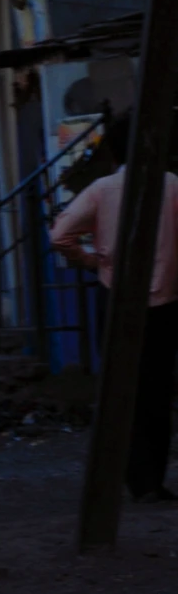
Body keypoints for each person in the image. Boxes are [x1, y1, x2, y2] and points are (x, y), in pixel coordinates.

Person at [50, 122, 178, 501]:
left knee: (121, 389)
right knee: (158, 390)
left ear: (112, 153)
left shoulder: (102, 190)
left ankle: (132, 476)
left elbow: (60, 235)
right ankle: (153, 479)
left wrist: (92, 260)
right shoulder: (172, 185)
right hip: (166, 302)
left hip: (117, 298)